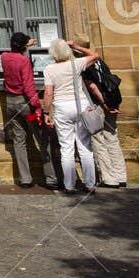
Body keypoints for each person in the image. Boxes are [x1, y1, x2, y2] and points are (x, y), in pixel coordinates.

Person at [1, 32, 58, 189]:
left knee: (19, 140)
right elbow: (28, 87)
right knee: (42, 137)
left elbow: (14, 49)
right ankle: (51, 178)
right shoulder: (24, 61)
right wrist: (38, 107)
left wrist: (26, 43)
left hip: (11, 103)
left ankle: (25, 179)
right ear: (24, 46)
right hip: (26, 106)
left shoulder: (4, 57)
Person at [43, 38, 99, 194]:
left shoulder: (49, 69)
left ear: (53, 54)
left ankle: (69, 185)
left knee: (66, 148)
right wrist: (76, 46)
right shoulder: (76, 63)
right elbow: (95, 55)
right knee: (85, 147)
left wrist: (46, 112)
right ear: (67, 52)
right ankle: (89, 184)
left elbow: (48, 93)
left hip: (62, 107)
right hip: (80, 105)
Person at [74, 38, 128, 188]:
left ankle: (109, 178)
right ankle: (121, 175)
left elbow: (92, 87)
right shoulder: (100, 62)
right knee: (112, 138)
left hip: (98, 105)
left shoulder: (84, 65)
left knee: (99, 141)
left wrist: (104, 104)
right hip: (112, 103)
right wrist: (110, 104)